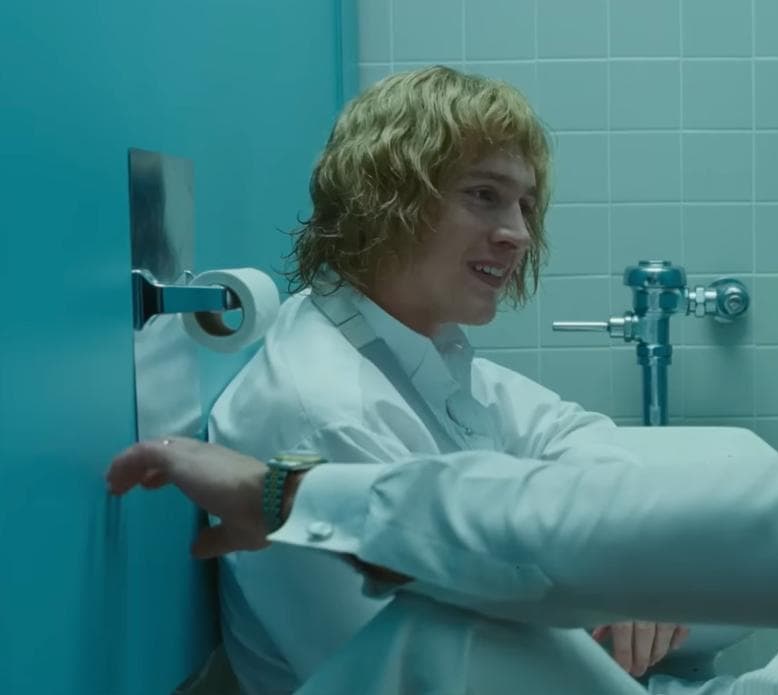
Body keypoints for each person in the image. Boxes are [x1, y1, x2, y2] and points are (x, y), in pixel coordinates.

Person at [109, 78, 778, 694]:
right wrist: (630, 565)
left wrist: (286, 493)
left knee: (450, 633)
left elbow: (639, 513)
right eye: (483, 196)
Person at [205, 65, 686, 695]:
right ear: (385, 198)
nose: (518, 233)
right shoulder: (326, 412)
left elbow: (568, 431)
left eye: (525, 205)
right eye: (484, 194)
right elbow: (439, 670)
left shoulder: (402, 344)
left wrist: (622, 553)